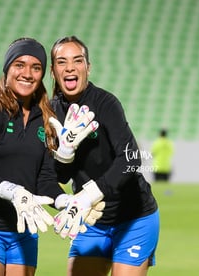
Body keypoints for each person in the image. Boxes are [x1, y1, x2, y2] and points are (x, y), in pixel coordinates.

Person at [0, 37, 103, 276]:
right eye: (19, 65)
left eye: (36, 67)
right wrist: (14, 192)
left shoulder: (43, 117)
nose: (27, 73)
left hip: (24, 229)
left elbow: (44, 180)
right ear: (7, 69)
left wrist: (68, 202)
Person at [49, 36, 160, 276]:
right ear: (53, 70)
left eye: (77, 60)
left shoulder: (106, 103)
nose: (70, 67)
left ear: (87, 67)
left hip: (133, 218)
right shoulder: (50, 113)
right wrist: (65, 154)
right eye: (62, 62)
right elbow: (59, 175)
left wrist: (87, 196)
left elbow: (131, 159)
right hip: (90, 221)